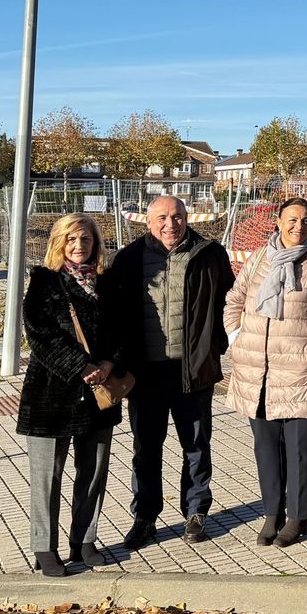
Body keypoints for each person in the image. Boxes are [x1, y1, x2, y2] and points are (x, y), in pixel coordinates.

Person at [105, 194, 234, 550]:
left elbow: (229, 300)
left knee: (196, 445)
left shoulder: (210, 254)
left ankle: (196, 511)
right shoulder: (129, 259)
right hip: (144, 374)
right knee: (147, 448)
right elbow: (111, 314)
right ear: (147, 222)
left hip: (192, 371)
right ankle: (145, 516)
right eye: (161, 217)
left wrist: (215, 346)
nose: (170, 224)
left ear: (186, 217)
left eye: (176, 216)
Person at [16, 214, 131, 576]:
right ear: (59, 243)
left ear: (96, 243)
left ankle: (84, 540)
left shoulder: (108, 283)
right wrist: (80, 366)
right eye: (71, 240)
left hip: (99, 394)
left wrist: (111, 363)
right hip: (52, 394)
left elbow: (123, 330)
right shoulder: (45, 281)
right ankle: (43, 546)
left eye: (86, 240)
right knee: (47, 475)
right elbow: (39, 335)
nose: (79, 247)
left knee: (93, 471)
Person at [223, 197, 307, 548]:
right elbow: (234, 299)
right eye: (291, 219)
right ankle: (272, 511)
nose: (298, 227)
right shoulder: (259, 258)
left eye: (305, 220)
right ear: (278, 220)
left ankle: (298, 516)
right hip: (258, 372)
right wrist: (235, 336)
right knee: (266, 447)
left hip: (300, 372)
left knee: (302, 448)